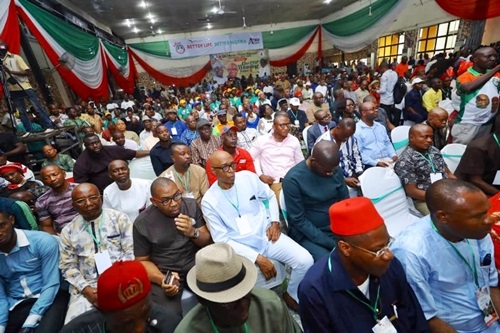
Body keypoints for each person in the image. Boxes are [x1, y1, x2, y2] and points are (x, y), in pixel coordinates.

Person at [201, 151, 314, 311]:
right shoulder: (210, 201)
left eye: (232, 164)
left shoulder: (247, 177)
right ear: (213, 171)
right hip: (241, 249)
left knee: (305, 260)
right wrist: (257, 258)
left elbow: (268, 196)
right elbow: (222, 240)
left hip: (266, 236)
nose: (231, 170)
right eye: (225, 167)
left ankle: (291, 294)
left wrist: (275, 221)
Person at [298, 197, 429, 332]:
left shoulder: (389, 265)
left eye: (387, 244)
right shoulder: (315, 290)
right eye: (377, 250)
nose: (388, 255)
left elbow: (415, 318)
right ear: (345, 248)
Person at [391, 179, 500, 332]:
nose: (489, 220)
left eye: (487, 211)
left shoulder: (479, 231)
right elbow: (426, 317)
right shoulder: (411, 253)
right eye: (478, 216)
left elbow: (492, 285)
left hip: (491, 322)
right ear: (443, 217)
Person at [174, 243, 302, 333]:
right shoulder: (187, 330)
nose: (243, 307)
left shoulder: (271, 306)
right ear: (203, 300)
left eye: (245, 293)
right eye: (229, 303)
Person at [134, 178, 211, 317]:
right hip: (165, 270)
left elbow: (206, 241)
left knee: (217, 297)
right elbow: (142, 261)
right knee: (167, 316)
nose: (174, 203)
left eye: (176, 196)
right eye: (166, 200)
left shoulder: (191, 205)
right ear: (154, 202)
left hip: (195, 263)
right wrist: (162, 279)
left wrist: (193, 232)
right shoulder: (142, 223)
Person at [59, 183, 134, 323]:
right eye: (81, 201)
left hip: (121, 281)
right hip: (87, 287)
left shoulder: (119, 219)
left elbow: (130, 253)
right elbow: (67, 267)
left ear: (101, 199)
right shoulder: (68, 231)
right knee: (75, 325)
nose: (88, 204)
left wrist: (115, 284)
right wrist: (87, 290)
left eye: (93, 198)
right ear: (73, 205)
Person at [60, 261, 181, 333]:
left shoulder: (171, 326)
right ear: (101, 310)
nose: (139, 328)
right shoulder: (77, 330)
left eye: (146, 314)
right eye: (127, 322)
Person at [0, 210, 68, 332]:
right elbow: (1, 297)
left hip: (50, 297)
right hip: (16, 303)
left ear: (11, 220)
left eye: (1, 225)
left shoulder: (42, 241)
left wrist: (30, 322)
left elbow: (51, 283)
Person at [283, 141, 349, 261]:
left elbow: (345, 202)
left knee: (362, 249)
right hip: (309, 233)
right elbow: (299, 220)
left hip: (337, 226)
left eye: (333, 170)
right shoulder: (293, 179)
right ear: (313, 161)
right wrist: (331, 243)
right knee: (330, 261)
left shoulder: (333, 168)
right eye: (326, 171)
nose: (330, 173)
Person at [394, 124, 455, 215]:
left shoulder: (433, 150)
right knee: (446, 217)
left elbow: (448, 173)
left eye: (431, 137)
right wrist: (441, 198)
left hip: (446, 191)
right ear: (411, 138)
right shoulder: (406, 160)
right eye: (425, 137)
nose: (429, 140)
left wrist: (457, 188)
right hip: (425, 199)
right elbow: (412, 191)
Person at [250, 112, 304, 204]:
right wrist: (260, 175)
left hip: (293, 179)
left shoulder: (293, 140)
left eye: (288, 125)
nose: (286, 128)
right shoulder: (262, 141)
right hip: (275, 181)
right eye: (282, 125)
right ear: (273, 127)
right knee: (287, 203)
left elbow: (300, 162)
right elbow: (250, 158)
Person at [0, 40, 54, 133]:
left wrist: (11, 72)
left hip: (24, 86)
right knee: (21, 112)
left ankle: (49, 126)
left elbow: (28, 72)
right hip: (11, 89)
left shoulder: (15, 58)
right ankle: (29, 131)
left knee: (37, 108)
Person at [452, 47, 500, 144]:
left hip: (487, 123)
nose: (493, 59)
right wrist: (497, 68)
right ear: (475, 59)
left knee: (478, 152)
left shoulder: (496, 75)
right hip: (468, 124)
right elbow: (468, 88)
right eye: (488, 57)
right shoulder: (465, 76)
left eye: (495, 56)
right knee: (461, 152)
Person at [73, 134, 148, 192]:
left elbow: (135, 153)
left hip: (125, 185)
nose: (95, 146)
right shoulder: (81, 164)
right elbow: (82, 186)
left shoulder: (113, 150)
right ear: (85, 146)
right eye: (91, 144)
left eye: (97, 142)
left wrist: (152, 152)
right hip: (103, 192)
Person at [455, 113, 500, 196]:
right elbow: (475, 180)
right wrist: (498, 194)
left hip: (492, 181)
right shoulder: (478, 147)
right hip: (471, 189)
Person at [315, 118, 363, 193]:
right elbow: (319, 170)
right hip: (331, 182)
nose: (346, 139)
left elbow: (356, 157)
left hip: (351, 176)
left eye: (349, 136)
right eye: (345, 135)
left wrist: (360, 174)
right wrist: (343, 180)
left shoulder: (351, 138)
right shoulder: (322, 143)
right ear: (338, 128)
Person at [36, 165, 78, 234]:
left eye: (55, 175)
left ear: (64, 174)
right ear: (43, 182)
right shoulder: (42, 201)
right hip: (63, 234)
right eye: (46, 178)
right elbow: (46, 226)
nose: (52, 179)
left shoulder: (79, 189)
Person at [355, 102, 397, 168]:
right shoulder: (357, 130)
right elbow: (358, 153)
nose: (376, 110)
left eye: (376, 108)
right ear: (363, 113)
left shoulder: (380, 127)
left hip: (388, 161)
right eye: (372, 109)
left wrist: (393, 155)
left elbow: (387, 143)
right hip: (370, 165)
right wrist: (375, 163)